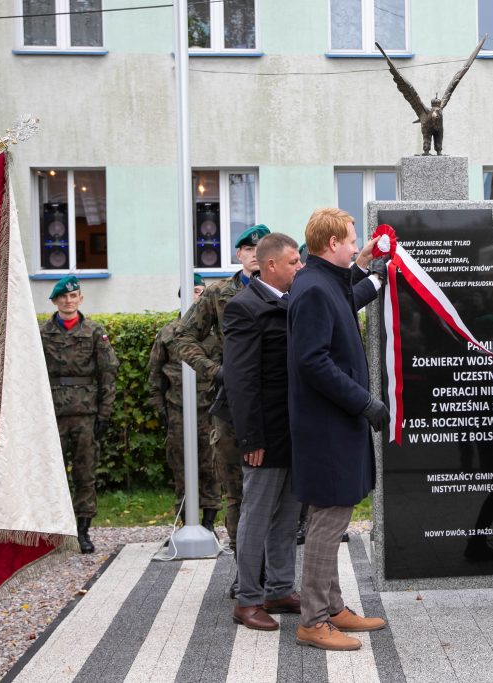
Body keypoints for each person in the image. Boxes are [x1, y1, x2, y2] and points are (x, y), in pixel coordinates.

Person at [287, 207, 387, 651]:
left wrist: (363, 266)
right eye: (351, 240)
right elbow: (312, 361)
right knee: (327, 524)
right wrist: (363, 401)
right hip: (326, 428)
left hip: (334, 424)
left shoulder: (323, 280)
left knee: (332, 516)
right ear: (332, 244)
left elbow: (346, 297)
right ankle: (313, 621)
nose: (355, 245)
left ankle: (332, 606)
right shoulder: (312, 288)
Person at [174, 223, 269, 596]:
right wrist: (214, 370)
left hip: (276, 403)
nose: (254, 254)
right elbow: (182, 335)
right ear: (239, 254)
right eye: (248, 249)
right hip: (233, 407)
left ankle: (276, 574)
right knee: (237, 492)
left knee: (279, 494)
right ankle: (245, 572)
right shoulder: (217, 294)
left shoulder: (286, 286)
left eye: (261, 248)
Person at [221, 233, 306, 630]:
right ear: (271, 265)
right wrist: (251, 437)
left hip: (290, 429)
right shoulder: (244, 307)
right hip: (264, 434)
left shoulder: (289, 300)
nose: (300, 267)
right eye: (293, 262)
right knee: (256, 516)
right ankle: (248, 600)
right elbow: (240, 380)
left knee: (287, 516)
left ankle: (279, 589)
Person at [39, 275, 119, 554]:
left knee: (85, 473)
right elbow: (32, 374)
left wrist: (104, 415)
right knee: (53, 475)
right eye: (63, 297)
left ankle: (83, 531)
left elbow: (108, 374)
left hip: (86, 415)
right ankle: (56, 532)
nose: (68, 301)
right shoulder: (42, 332)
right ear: (55, 301)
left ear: (80, 299)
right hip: (53, 414)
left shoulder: (95, 332)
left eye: (73, 296)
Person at [148, 274, 222, 530]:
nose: (195, 296)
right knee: (180, 466)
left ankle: (209, 524)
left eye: (199, 290)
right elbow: (156, 373)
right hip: (178, 409)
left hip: (210, 410)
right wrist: (161, 409)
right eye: (190, 291)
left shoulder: (216, 332)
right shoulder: (168, 332)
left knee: (211, 466)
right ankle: (186, 522)